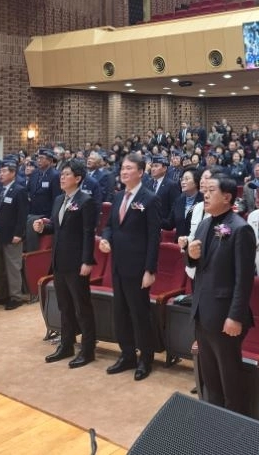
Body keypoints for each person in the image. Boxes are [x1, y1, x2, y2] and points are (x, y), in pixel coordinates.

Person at [186, 176, 256, 414]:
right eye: (204, 190)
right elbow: (199, 266)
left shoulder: (241, 228)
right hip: (203, 313)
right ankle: (214, 426)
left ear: (227, 197)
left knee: (230, 380)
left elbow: (244, 278)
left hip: (226, 317)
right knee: (210, 379)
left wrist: (235, 316)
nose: (205, 194)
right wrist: (191, 256)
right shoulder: (205, 224)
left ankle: (236, 431)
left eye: (211, 190)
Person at [100, 152, 161, 381]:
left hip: (138, 268)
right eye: (122, 168)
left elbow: (154, 237)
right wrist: (106, 238)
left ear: (141, 172)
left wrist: (150, 270)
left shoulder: (149, 199)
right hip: (117, 264)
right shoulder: (118, 197)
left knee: (139, 314)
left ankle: (146, 358)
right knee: (121, 313)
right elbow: (109, 226)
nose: (124, 172)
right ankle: (127, 354)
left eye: (129, 168)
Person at [36, 158, 98, 368]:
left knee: (82, 308)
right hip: (59, 261)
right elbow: (56, 227)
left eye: (67, 174)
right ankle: (66, 344)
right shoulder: (58, 200)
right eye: (61, 174)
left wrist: (87, 260)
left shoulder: (85, 201)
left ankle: (87, 350)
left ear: (78, 178)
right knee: (64, 306)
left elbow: (88, 233)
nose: (62, 177)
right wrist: (43, 228)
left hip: (77, 262)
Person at [0, 161, 30, 309]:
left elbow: (22, 215)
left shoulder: (19, 190)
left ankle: (16, 296)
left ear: (13, 173)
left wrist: (19, 234)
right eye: (0, 172)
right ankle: (2, 294)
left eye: (5, 172)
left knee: (13, 267)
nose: (1, 174)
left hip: (13, 235)